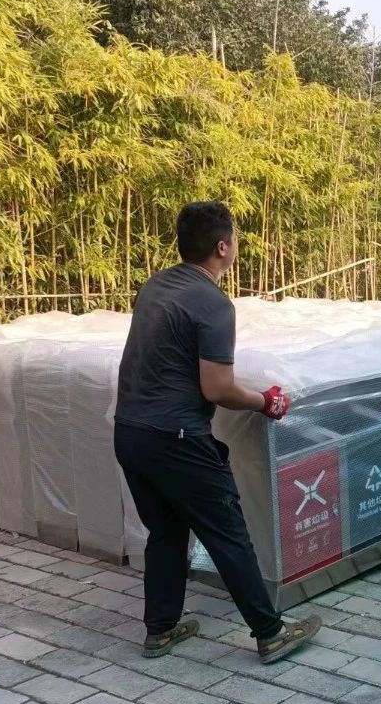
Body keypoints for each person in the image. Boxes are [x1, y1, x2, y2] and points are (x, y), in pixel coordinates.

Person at [114, 201, 321, 662]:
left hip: (130, 431)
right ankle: (270, 633)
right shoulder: (212, 303)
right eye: (236, 239)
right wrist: (266, 400)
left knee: (165, 531)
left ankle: (160, 630)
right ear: (223, 247)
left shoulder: (155, 286)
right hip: (177, 437)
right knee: (227, 532)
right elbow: (218, 387)